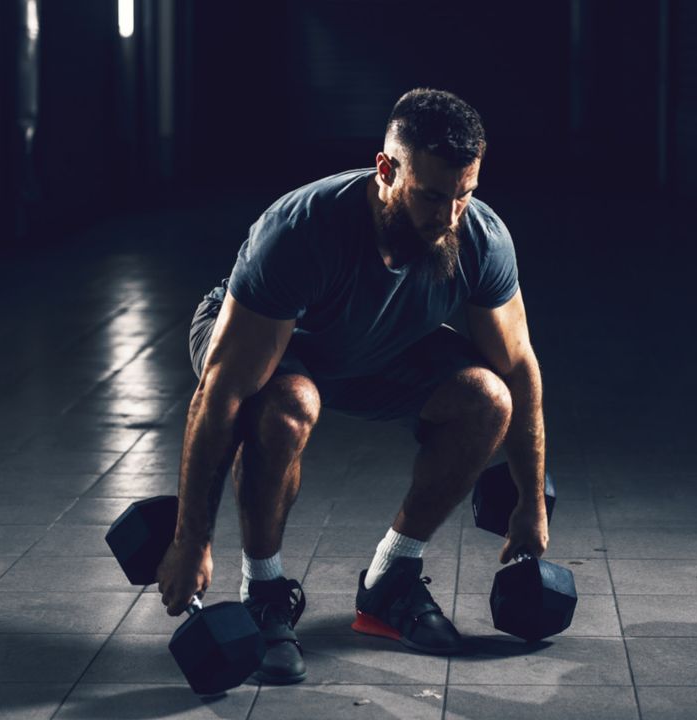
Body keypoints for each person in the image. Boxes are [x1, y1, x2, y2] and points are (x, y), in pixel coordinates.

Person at [158, 88, 549, 685]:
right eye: (431, 196)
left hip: (377, 346)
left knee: (488, 398)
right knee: (288, 405)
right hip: (269, 341)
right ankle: (263, 593)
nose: (448, 216)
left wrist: (528, 501)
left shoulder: (478, 238)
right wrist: (190, 539)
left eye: (464, 195)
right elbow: (223, 391)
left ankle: (391, 582)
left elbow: (519, 367)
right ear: (386, 169)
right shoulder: (302, 230)